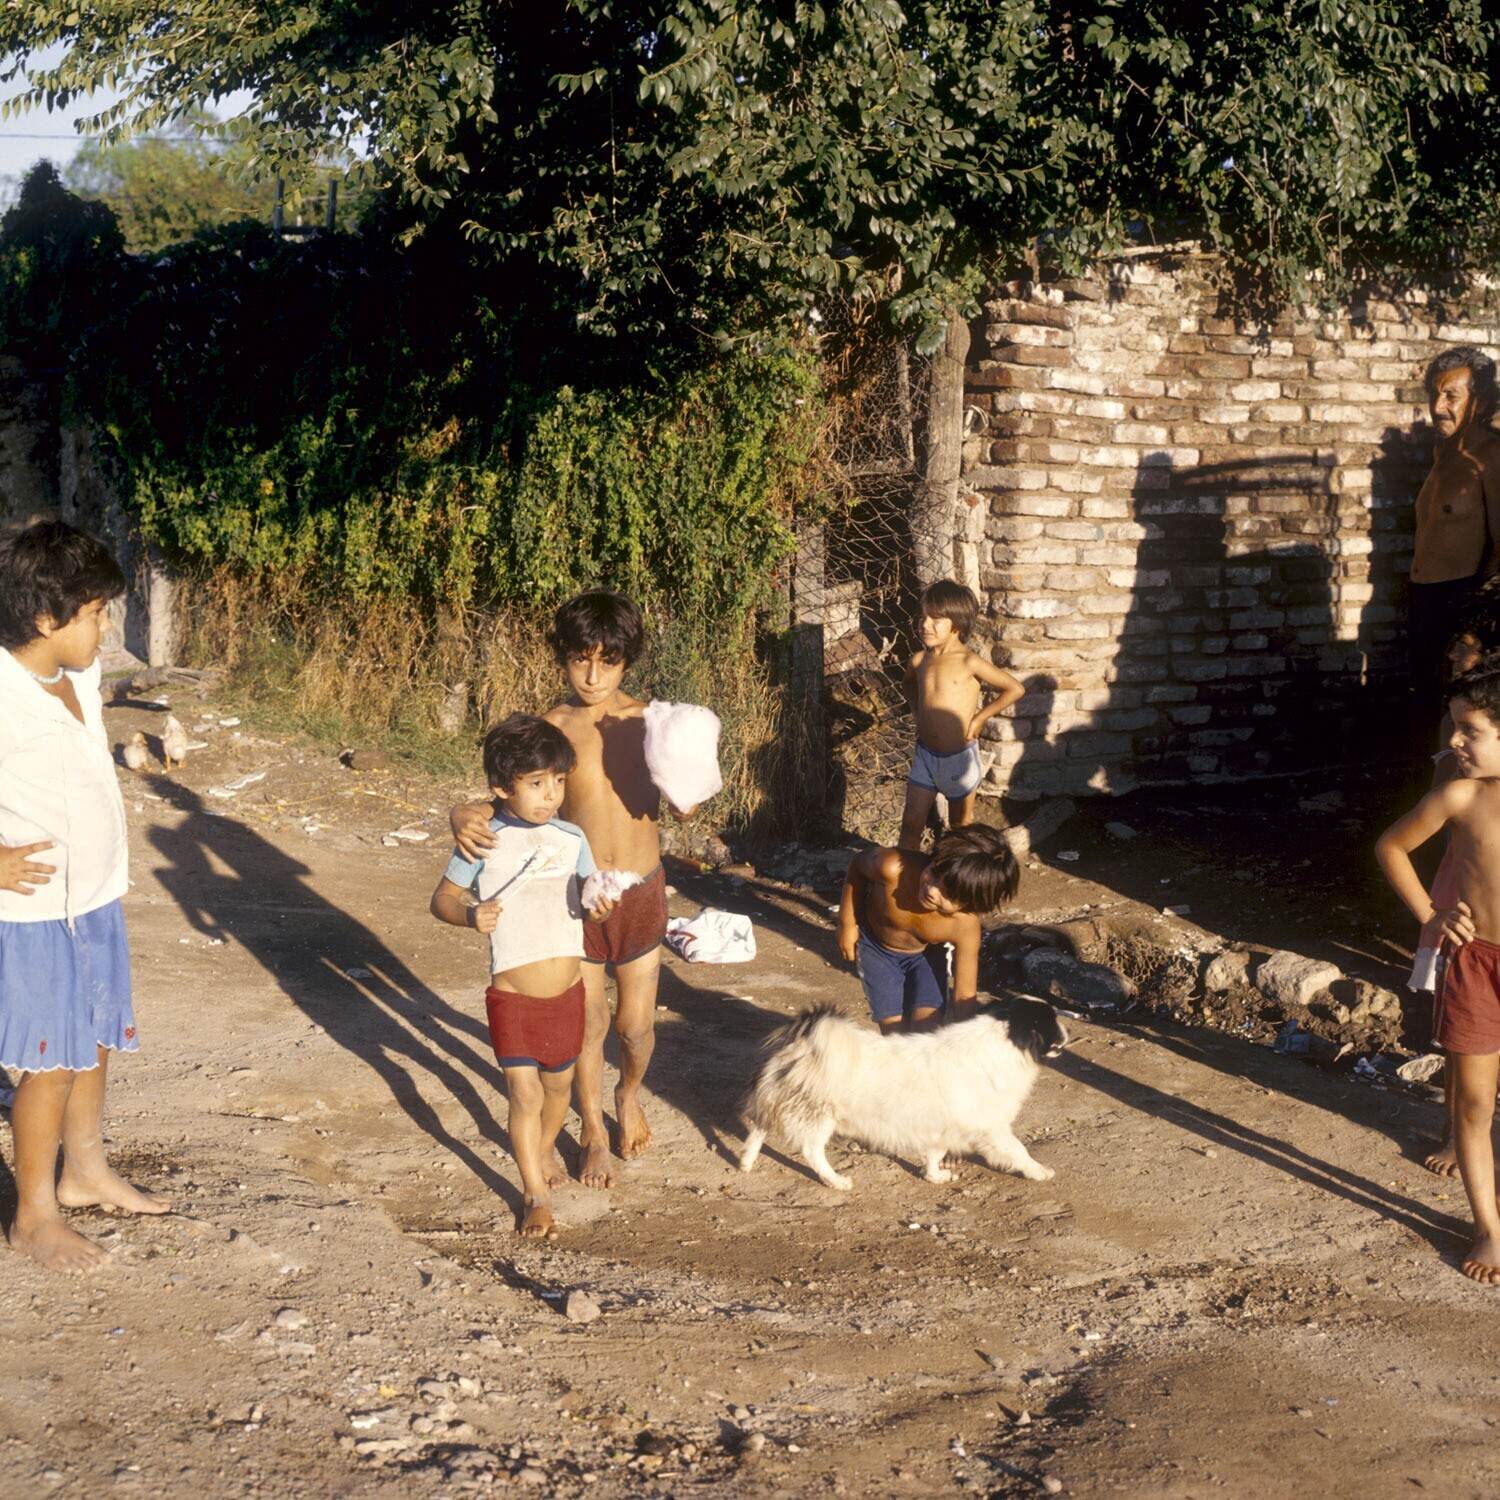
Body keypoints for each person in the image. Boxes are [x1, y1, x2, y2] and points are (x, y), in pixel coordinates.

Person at [451, 590, 702, 1189]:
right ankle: (592, 1131)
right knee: (588, 1023)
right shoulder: (553, 728)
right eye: (579, 660)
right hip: (576, 895)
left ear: (627, 661)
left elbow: (686, 803)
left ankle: (628, 1094)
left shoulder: (651, 722)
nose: (592, 676)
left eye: (607, 662)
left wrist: (685, 786)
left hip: (640, 893)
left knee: (635, 1027)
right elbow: (510, 796)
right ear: (562, 657)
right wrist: (461, 813)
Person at [0, 519, 169, 1273]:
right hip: (34, 913)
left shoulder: (80, 674)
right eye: (96, 613)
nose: (106, 628)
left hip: (95, 896)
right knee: (52, 1062)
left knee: (95, 1037)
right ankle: (34, 1216)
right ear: (46, 618)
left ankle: (86, 1171)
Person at [430, 713, 615, 1238]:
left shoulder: (571, 838)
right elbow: (441, 899)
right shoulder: (484, 839)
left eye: (558, 781)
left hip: (568, 995)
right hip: (512, 998)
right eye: (536, 783)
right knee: (525, 1096)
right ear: (500, 788)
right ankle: (534, 1194)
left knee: (558, 1091)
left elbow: (591, 900)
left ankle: (542, 1149)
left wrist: (600, 908)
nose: (551, 794)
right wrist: (469, 915)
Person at [1376, 665, 1500, 1284]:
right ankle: (1489, 1228)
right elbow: (1391, 845)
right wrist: (1430, 912)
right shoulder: (1460, 796)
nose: (1453, 741)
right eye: (1454, 727)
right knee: (1474, 1104)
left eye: (1469, 730)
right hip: (1476, 963)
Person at [837, 823, 1019, 1033]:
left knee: (926, 1031)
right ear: (935, 857)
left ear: (971, 904)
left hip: (926, 957)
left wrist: (966, 1038)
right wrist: (847, 923)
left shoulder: (964, 926)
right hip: (877, 951)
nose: (932, 890)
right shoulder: (893, 867)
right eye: (934, 872)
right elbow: (858, 865)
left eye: (948, 893)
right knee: (895, 1034)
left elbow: (964, 997)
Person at [1408, 348, 1500, 718]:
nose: (1437, 406)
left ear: (1480, 403)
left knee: (1458, 714)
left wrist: (1474, 624)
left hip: (1460, 603)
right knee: (1426, 707)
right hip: (1422, 600)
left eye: (1451, 396)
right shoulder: (1443, 452)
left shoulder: (1491, 456)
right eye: (1434, 394)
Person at [900, 579, 1024, 850]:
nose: (925, 624)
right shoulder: (919, 661)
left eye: (935, 619)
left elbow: (1014, 688)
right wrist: (916, 711)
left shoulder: (969, 661)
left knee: (960, 828)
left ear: (956, 623)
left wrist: (979, 718)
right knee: (911, 822)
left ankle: (954, 875)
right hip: (925, 757)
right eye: (922, 617)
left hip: (959, 760)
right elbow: (907, 684)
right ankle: (905, 874)